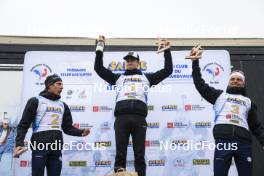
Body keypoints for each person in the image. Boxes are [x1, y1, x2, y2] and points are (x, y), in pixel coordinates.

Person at [94, 36, 173, 176]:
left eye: (132, 60)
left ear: (138, 62)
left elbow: (168, 70)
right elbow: (98, 68)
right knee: (120, 153)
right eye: (127, 60)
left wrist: (167, 51)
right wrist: (100, 46)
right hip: (121, 119)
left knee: (139, 154)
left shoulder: (147, 78)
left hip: (139, 119)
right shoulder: (117, 78)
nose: (129, 62)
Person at [190, 47, 264, 176]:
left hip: (243, 143)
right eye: (233, 79)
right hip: (223, 141)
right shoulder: (219, 96)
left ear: (243, 83)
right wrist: (195, 61)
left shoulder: (248, 102)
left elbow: (256, 126)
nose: (235, 81)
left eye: (239, 79)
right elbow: (199, 84)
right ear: (229, 82)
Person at [15, 74, 90, 176]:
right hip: (39, 144)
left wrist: (81, 132)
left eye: (62, 84)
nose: (62, 87)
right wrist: (19, 143)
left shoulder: (63, 105)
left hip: (57, 146)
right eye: (59, 84)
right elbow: (23, 125)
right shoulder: (36, 101)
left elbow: (67, 128)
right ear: (49, 85)